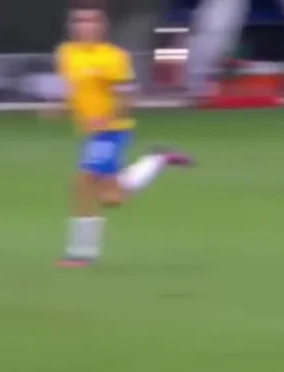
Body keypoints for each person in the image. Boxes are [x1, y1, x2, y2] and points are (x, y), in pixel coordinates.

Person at [48, 0, 195, 267]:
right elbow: (74, 90)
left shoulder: (113, 57)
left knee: (83, 184)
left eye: (90, 21)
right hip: (90, 132)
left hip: (111, 131)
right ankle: (157, 159)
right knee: (112, 198)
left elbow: (126, 96)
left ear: (102, 26)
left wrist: (106, 119)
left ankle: (81, 253)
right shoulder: (66, 54)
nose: (84, 26)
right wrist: (62, 107)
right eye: (79, 21)